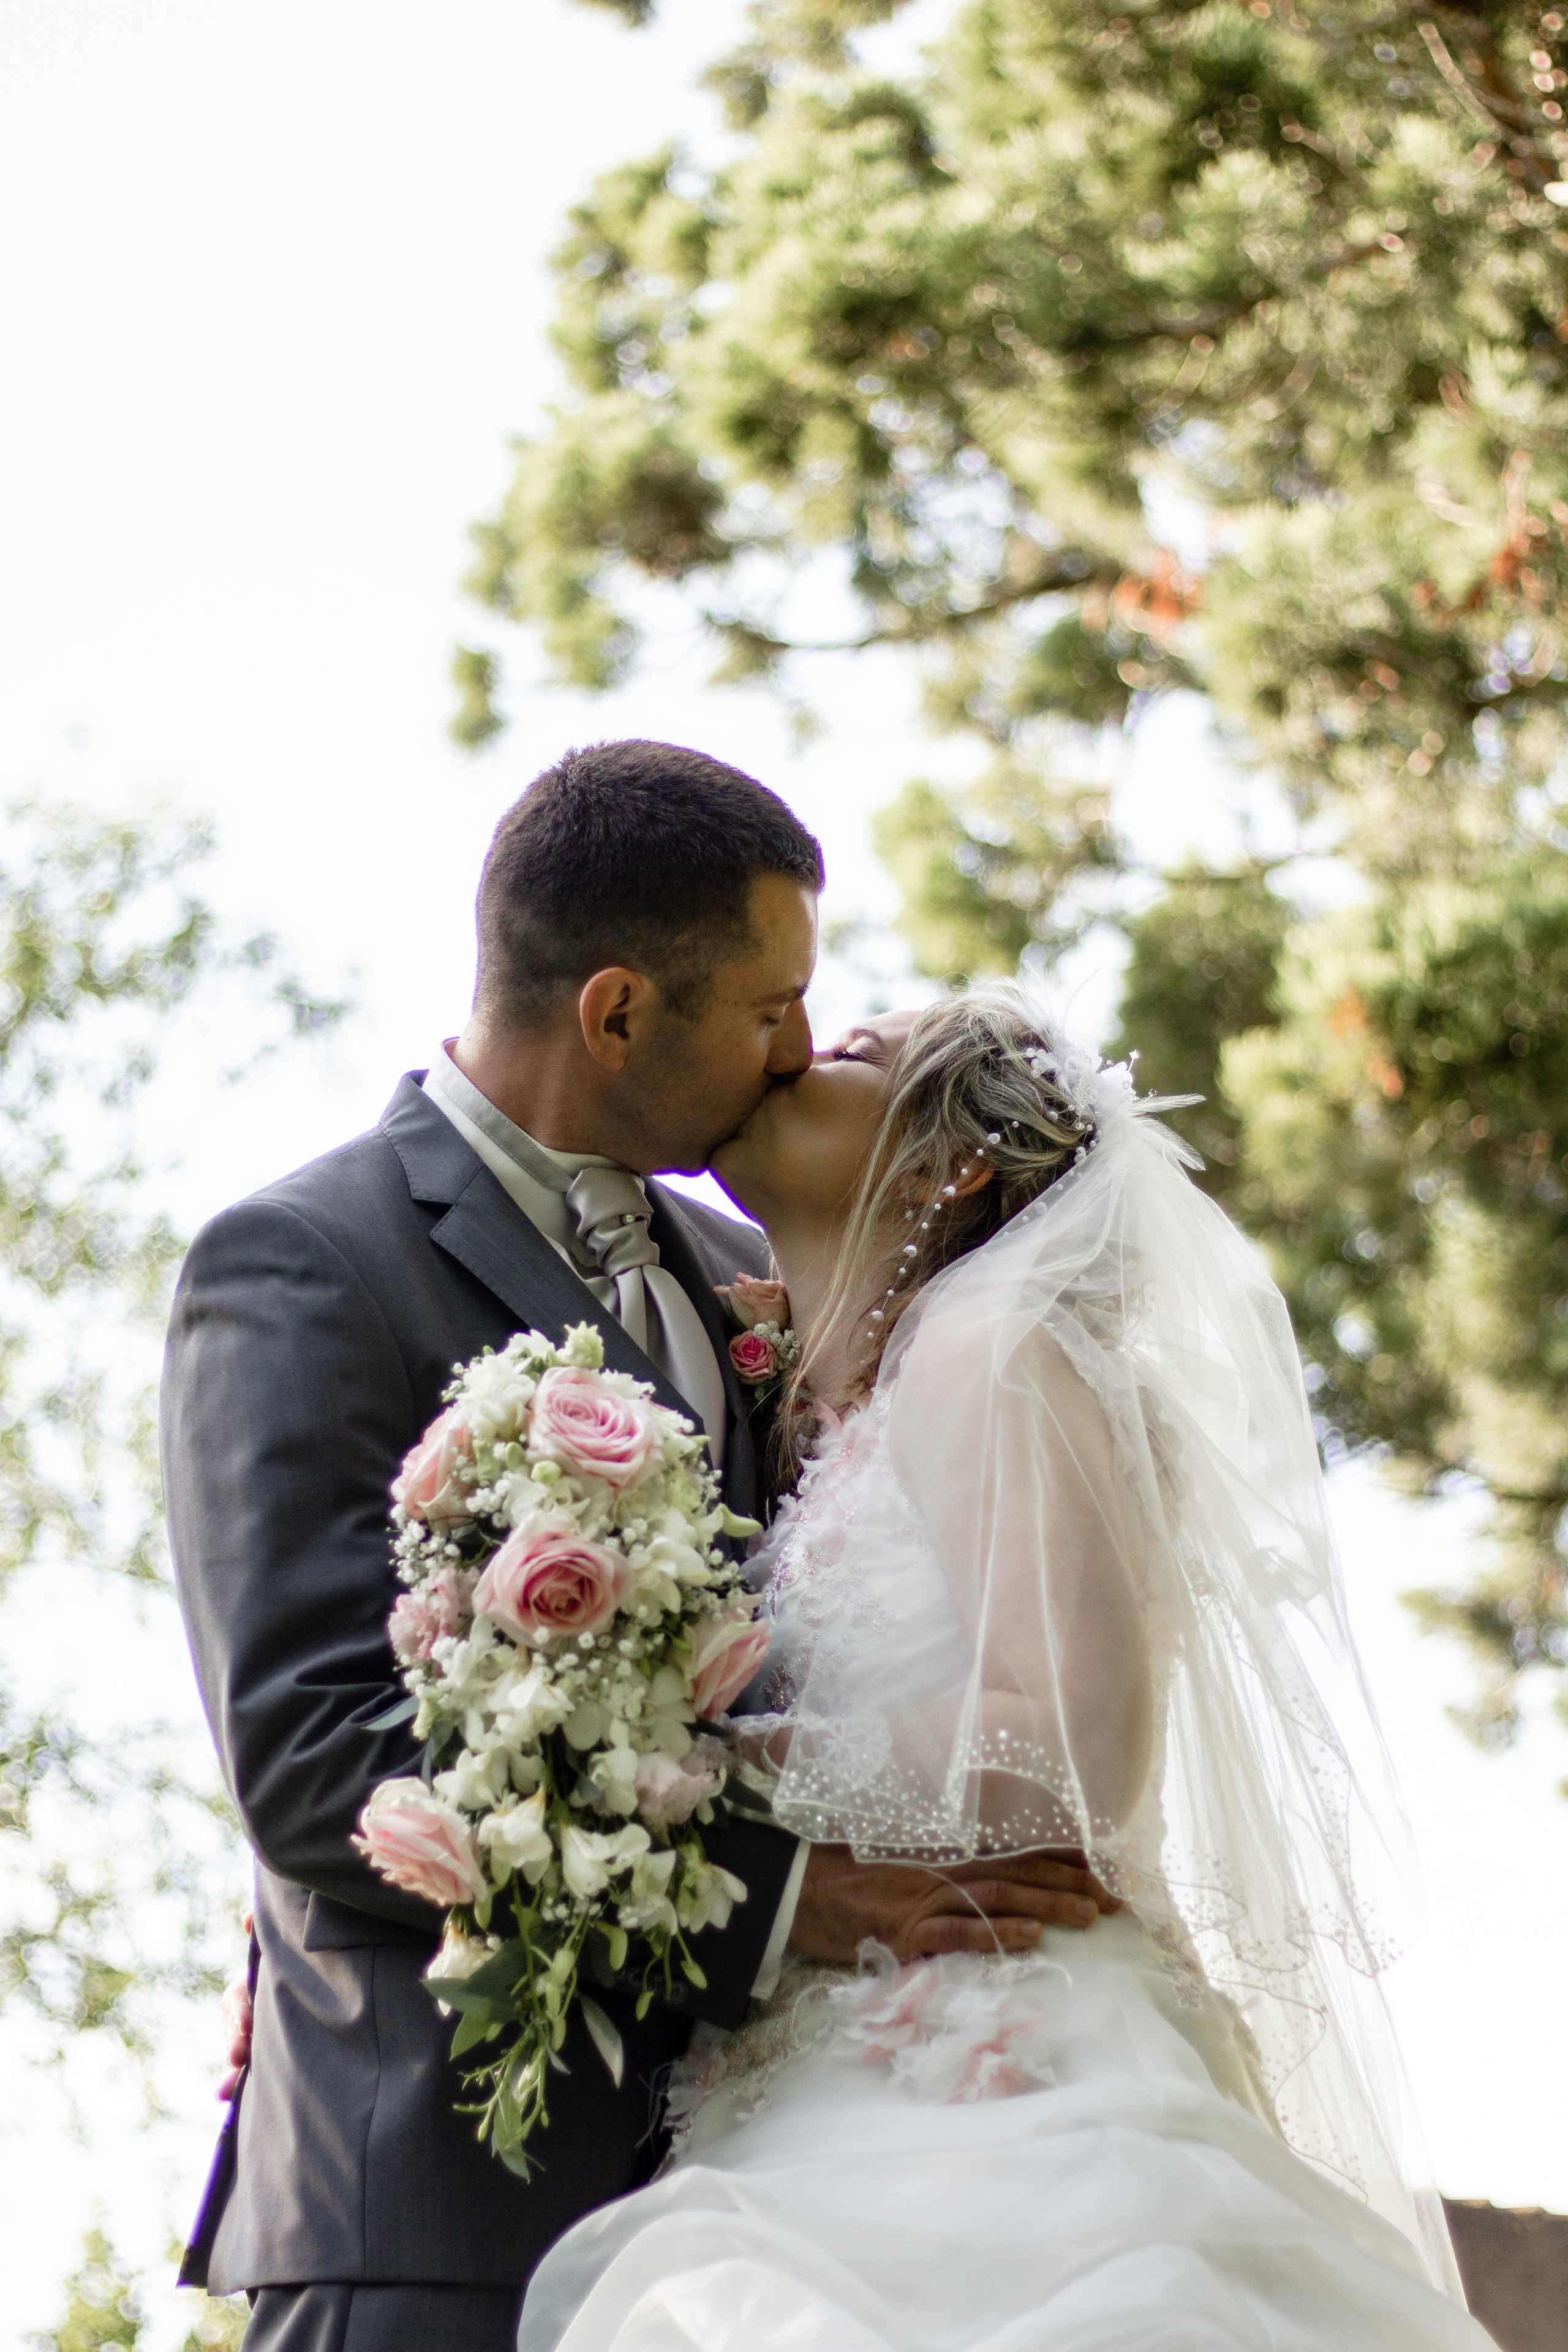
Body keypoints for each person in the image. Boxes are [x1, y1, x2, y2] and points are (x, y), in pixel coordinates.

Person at [163, 742, 1113, 2352]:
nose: (804, 1050)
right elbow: (324, 1758)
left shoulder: (770, 1269)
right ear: (615, 1015)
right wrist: (790, 1895)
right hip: (444, 2209)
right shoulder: (310, 1265)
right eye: (769, 1008)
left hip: (768, 2217)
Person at [514, 985, 1496, 2352]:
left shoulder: (988, 1347)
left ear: (953, 1161)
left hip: (999, 2065)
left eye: (851, 1051)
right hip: (842, 2062)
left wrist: (699, 1770)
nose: (792, 1051)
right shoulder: (852, 1407)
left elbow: (1076, 1742)